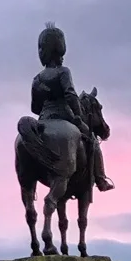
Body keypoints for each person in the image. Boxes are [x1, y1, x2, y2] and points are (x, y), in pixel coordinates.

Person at [30, 23, 114, 191]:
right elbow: (70, 94)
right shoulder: (63, 72)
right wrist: (76, 115)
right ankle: (100, 179)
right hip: (65, 115)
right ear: (60, 50)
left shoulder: (37, 79)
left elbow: (34, 108)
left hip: (44, 119)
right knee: (92, 141)